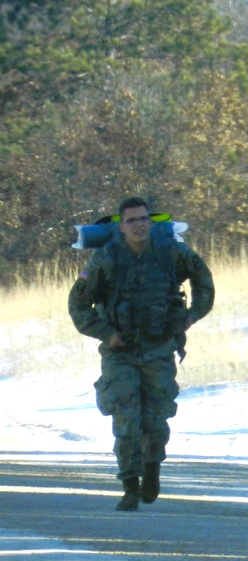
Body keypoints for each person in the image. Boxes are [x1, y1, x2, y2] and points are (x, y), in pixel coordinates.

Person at [69, 196, 215, 511]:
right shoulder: (106, 259)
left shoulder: (172, 254)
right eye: (132, 220)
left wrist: (190, 316)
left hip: (159, 348)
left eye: (143, 219)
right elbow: (78, 304)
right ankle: (129, 486)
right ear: (121, 227)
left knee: (156, 418)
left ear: (151, 222)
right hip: (120, 352)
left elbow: (205, 283)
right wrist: (107, 333)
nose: (139, 225)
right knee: (125, 418)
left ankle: (152, 469)